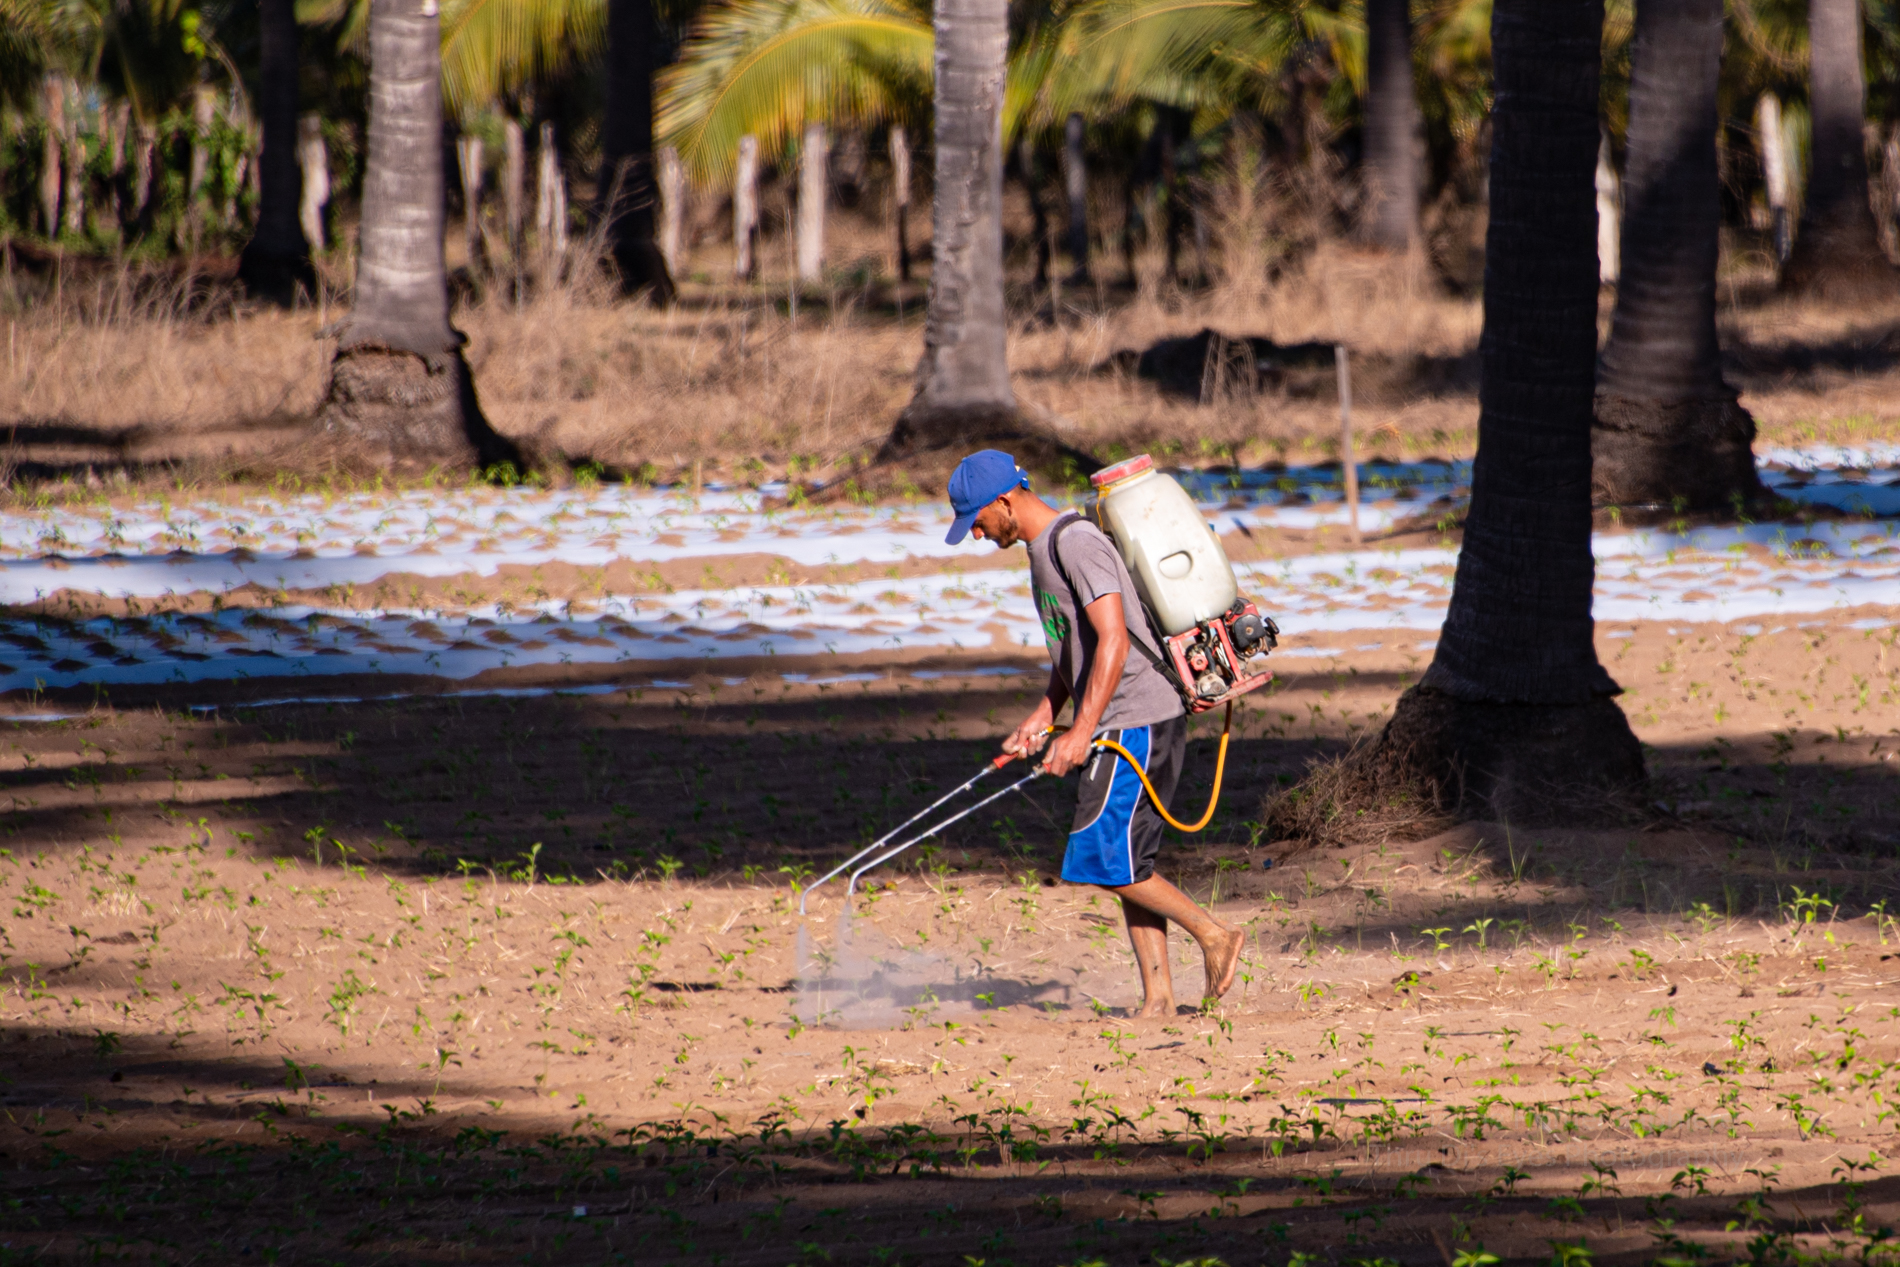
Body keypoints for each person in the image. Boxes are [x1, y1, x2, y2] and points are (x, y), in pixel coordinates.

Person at [943, 449, 1245, 1017]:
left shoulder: (1075, 543)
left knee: (1101, 859)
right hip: (1118, 718)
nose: (977, 535)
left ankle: (1215, 936)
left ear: (1004, 501)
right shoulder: (1041, 551)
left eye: (977, 522)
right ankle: (1159, 1000)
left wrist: (1080, 731)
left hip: (1137, 718)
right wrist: (1044, 714)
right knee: (1127, 861)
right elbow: (1073, 647)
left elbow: (1113, 639)